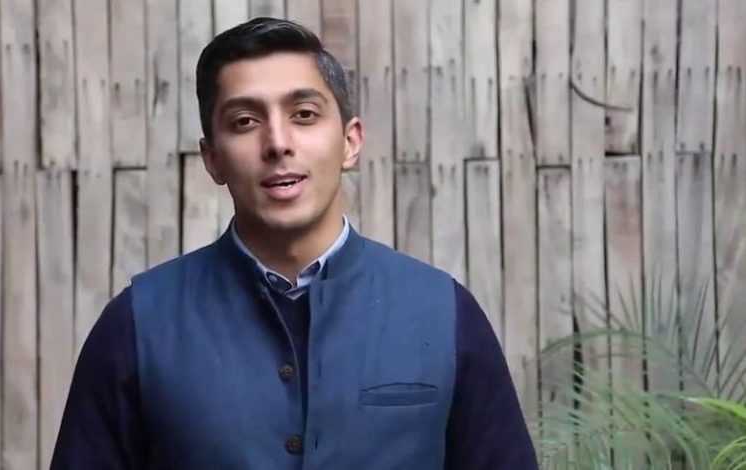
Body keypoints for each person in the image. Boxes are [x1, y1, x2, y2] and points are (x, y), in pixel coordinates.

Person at [51, 17, 537, 469]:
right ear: (212, 158)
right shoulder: (136, 326)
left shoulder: (444, 314)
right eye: (245, 121)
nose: (278, 143)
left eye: (304, 114)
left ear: (350, 142)